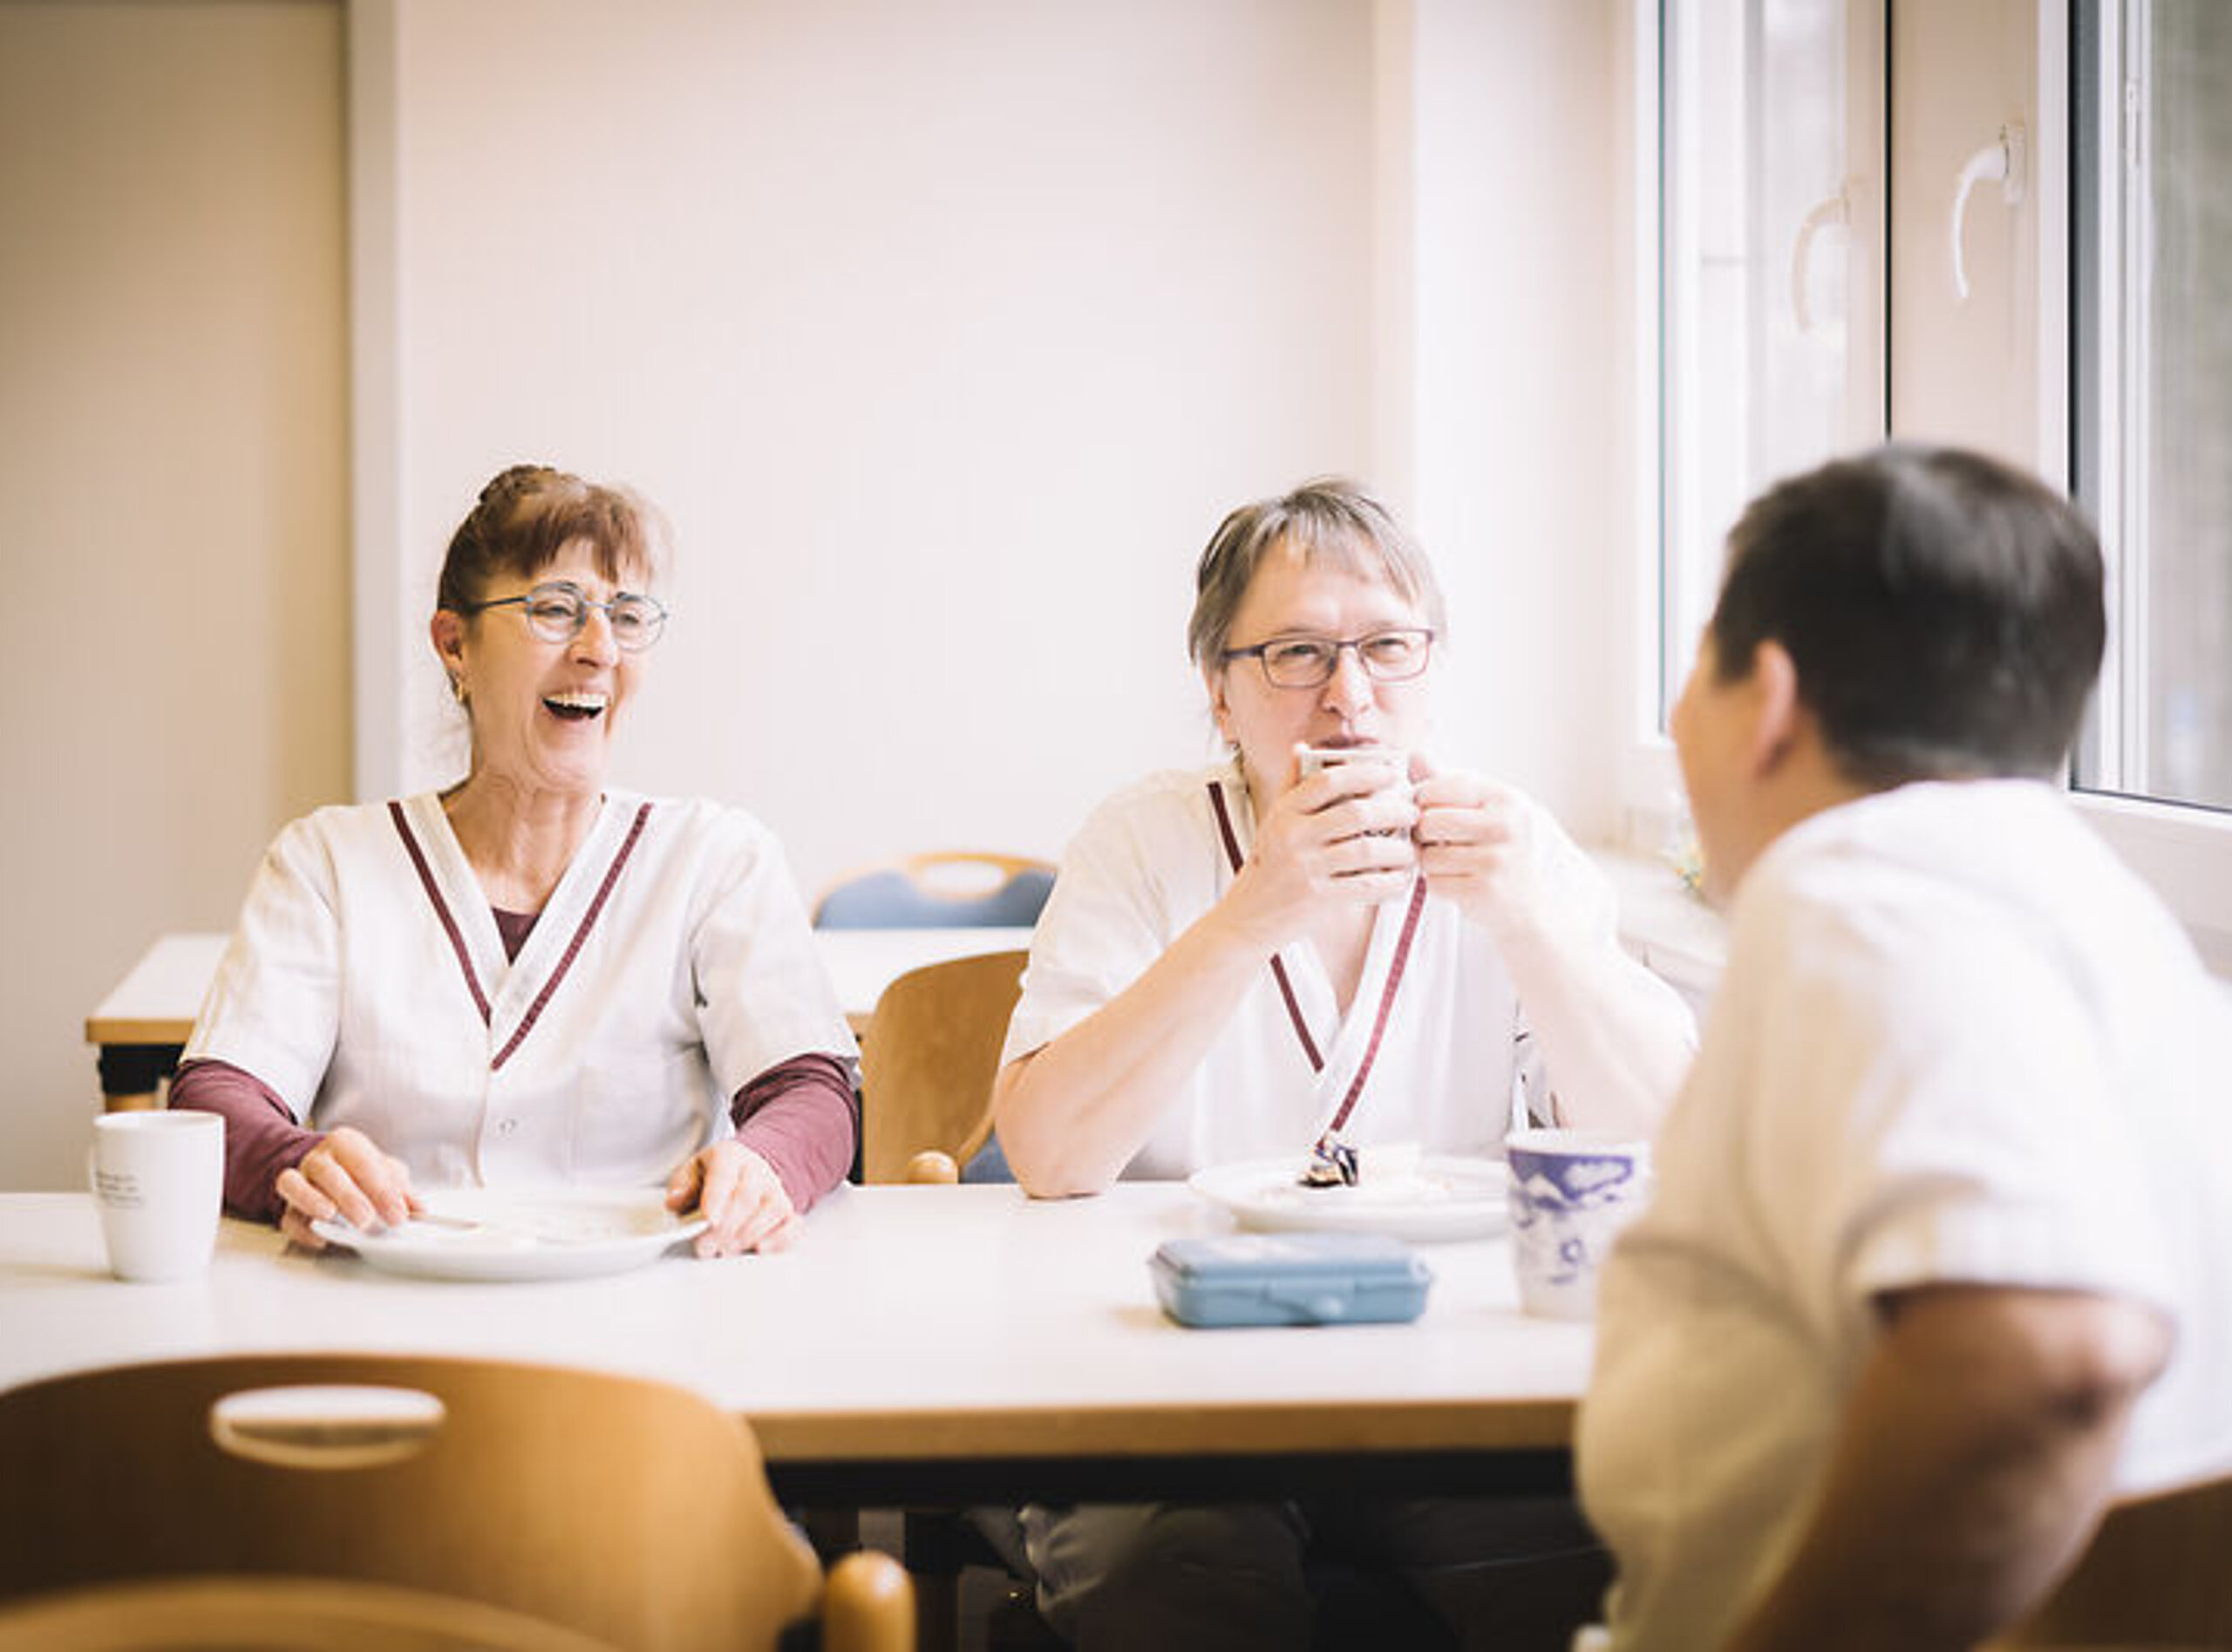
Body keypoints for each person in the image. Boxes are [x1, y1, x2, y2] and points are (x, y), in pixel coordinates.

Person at [989, 479, 1698, 1649]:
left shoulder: (1509, 845)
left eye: (1386, 646)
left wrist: (1530, 927)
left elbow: (1670, 1139)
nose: (1350, 694)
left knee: (1595, 1554)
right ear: (1218, 688)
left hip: (1451, 1373)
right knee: (1170, 1571)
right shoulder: (1144, 841)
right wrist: (1251, 914)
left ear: (1431, 664)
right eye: (1297, 652)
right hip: (1171, 1368)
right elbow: (1050, 1153)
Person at [1576, 445, 2232, 1650]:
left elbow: (2049, 1347)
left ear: (1769, 700)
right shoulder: (2118, 931)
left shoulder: (1860, 893)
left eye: (1696, 670)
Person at [173, 464, 858, 1256]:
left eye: (626, 616)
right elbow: (217, 1098)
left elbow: (814, 1090)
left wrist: (762, 1163)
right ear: (454, 644)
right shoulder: (326, 864)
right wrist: (294, 1161)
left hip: (647, 1300)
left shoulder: (714, 860)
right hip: (394, 1295)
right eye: (555, 609)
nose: (600, 649)